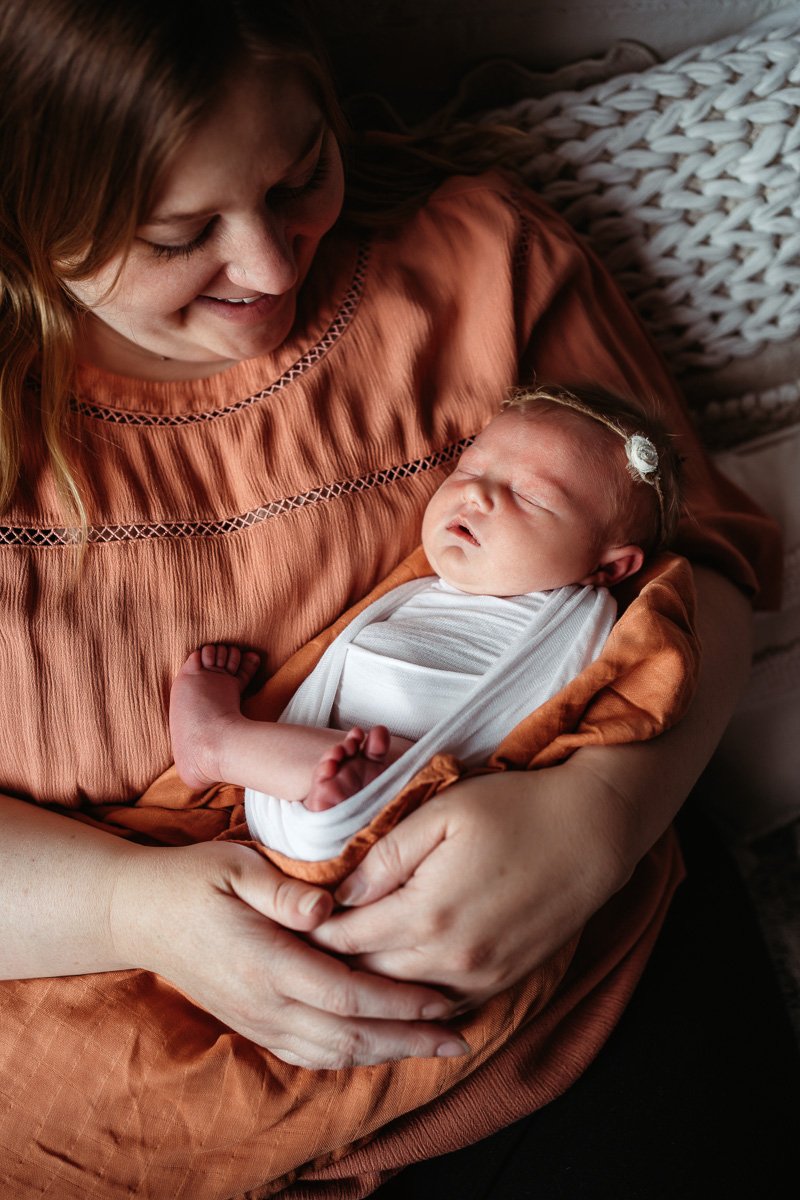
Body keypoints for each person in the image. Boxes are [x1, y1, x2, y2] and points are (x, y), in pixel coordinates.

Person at [0, 0, 785, 1195]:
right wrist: (127, 913)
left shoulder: (478, 263)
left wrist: (603, 815)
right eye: (177, 235)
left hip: (568, 1016)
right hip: (150, 1093)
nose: (268, 266)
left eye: (298, 173)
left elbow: (705, 562)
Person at [169, 386, 683, 836]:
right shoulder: (418, 587)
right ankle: (269, 762)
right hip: (336, 755)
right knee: (377, 765)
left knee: (414, 775)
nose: (477, 492)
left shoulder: (594, 623)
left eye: (529, 496)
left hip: (431, 784)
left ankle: (217, 741)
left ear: (610, 568)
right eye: (471, 468)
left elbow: (625, 705)